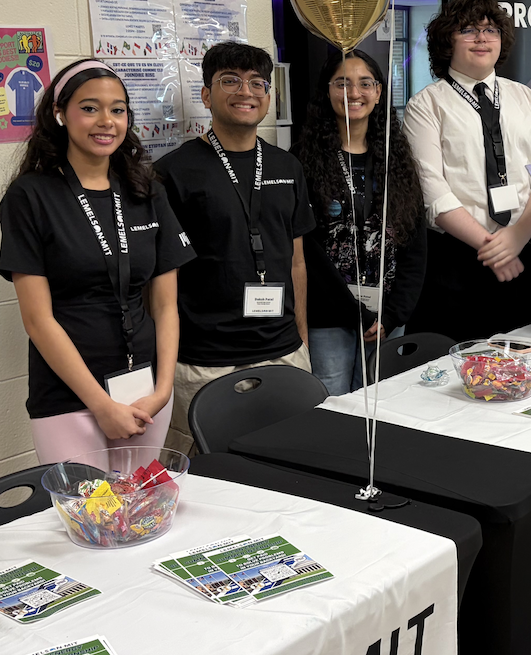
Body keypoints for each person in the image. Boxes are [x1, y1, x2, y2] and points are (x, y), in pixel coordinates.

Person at [0, 59, 195, 464]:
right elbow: (38, 320)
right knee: (92, 522)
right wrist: (101, 405)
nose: (106, 121)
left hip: (144, 390)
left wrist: (163, 388)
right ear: (60, 113)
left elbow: (164, 305)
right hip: (70, 397)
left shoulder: (146, 190)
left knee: (142, 517)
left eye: (118, 109)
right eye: (89, 108)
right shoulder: (30, 197)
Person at [155, 42, 315, 455]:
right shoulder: (173, 172)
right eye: (230, 80)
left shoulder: (286, 166)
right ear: (206, 95)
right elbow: (160, 277)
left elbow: (296, 260)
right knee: (206, 479)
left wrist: (300, 337)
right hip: (203, 361)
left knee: (294, 462)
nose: (246, 91)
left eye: (257, 82)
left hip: (283, 353)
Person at [402, 0, 531, 342]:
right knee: (459, 370)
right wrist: (492, 247)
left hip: (524, 252)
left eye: (490, 30)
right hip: (456, 262)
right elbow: (431, 189)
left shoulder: (526, 99)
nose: (482, 38)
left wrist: (516, 237)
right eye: (468, 30)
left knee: (526, 362)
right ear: (448, 41)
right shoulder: (427, 105)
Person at [294, 50, 426, 395]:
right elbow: (306, 251)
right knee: (331, 405)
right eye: (342, 83)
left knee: (384, 401)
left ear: (379, 92)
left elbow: (415, 247)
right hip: (328, 317)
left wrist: (394, 314)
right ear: (326, 91)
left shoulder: (397, 160)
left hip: (386, 318)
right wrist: (355, 311)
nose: (354, 93)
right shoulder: (302, 163)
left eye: (365, 83)